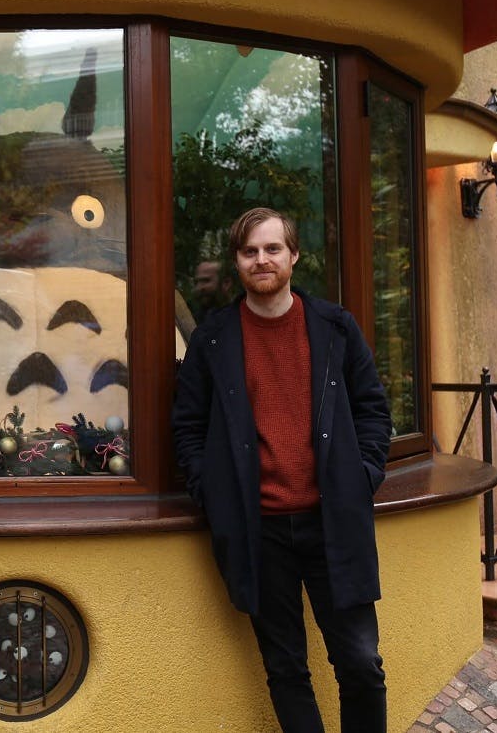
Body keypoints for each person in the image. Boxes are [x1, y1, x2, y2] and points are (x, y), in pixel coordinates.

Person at [172, 207, 391, 733]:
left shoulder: (335, 328)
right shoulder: (213, 340)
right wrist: (211, 493)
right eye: (250, 251)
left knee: (361, 664)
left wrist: (362, 476)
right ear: (237, 262)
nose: (262, 260)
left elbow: (372, 409)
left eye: (272, 249)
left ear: (293, 256)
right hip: (257, 530)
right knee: (285, 667)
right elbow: (187, 428)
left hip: (333, 520)